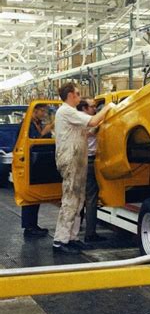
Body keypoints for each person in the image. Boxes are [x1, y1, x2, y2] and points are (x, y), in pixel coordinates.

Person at [53, 83, 113, 255]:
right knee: (71, 199)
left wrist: (102, 124)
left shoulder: (73, 114)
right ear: (71, 95)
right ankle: (60, 240)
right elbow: (93, 120)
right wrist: (109, 106)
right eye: (78, 94)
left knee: (78, 200)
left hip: (77, 160)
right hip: (70, 160)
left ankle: (72, 238)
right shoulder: (66, 111)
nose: (79, 97)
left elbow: (88, 131)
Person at [77, 98, 106, 243]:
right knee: (91, 198)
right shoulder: (88, 121)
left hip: (82, 162)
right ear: (84, 108)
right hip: (88, 161)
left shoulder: (79, 120)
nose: (95, 109)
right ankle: (90, 234)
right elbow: (91, 131)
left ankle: (76, 230)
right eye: (93, 106)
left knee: (82, 198)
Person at [22, 104, 53, 238]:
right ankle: (29, 227)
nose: (44, 114)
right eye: (41, 111)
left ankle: (33, 225)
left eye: (45, 111)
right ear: (34, 111)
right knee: (29, 197)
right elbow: (31, 141)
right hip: (29, 162)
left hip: (38, 163)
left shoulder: (37, 123)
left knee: (35, 196)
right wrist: (44, 132)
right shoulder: (27, 124)